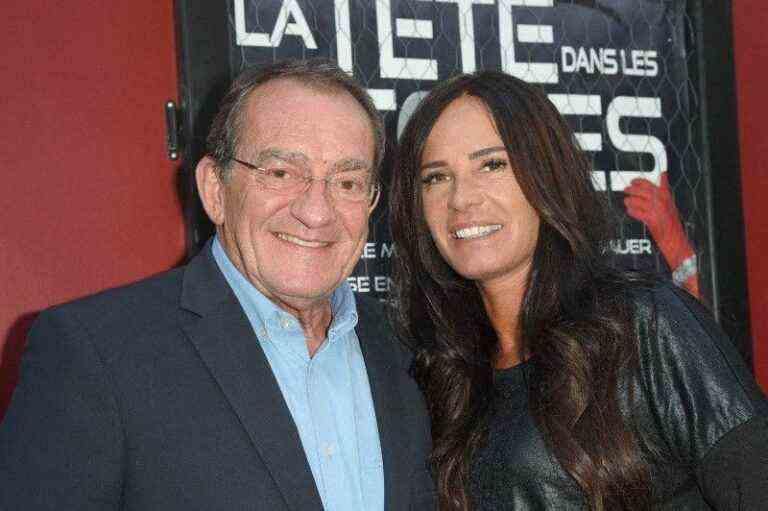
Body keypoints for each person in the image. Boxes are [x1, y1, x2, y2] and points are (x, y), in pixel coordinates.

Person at [0, 59, 434, 511]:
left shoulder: (407, 346)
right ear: (214, 188)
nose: (316, 212)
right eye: (281, 173)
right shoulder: (98, 354)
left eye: (347, 182)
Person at [389, 70, 768, 510]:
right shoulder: (439, 371)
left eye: (492, 164)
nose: (461, 199)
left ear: (544, 174)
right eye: (436, 177)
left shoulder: (644, 324)